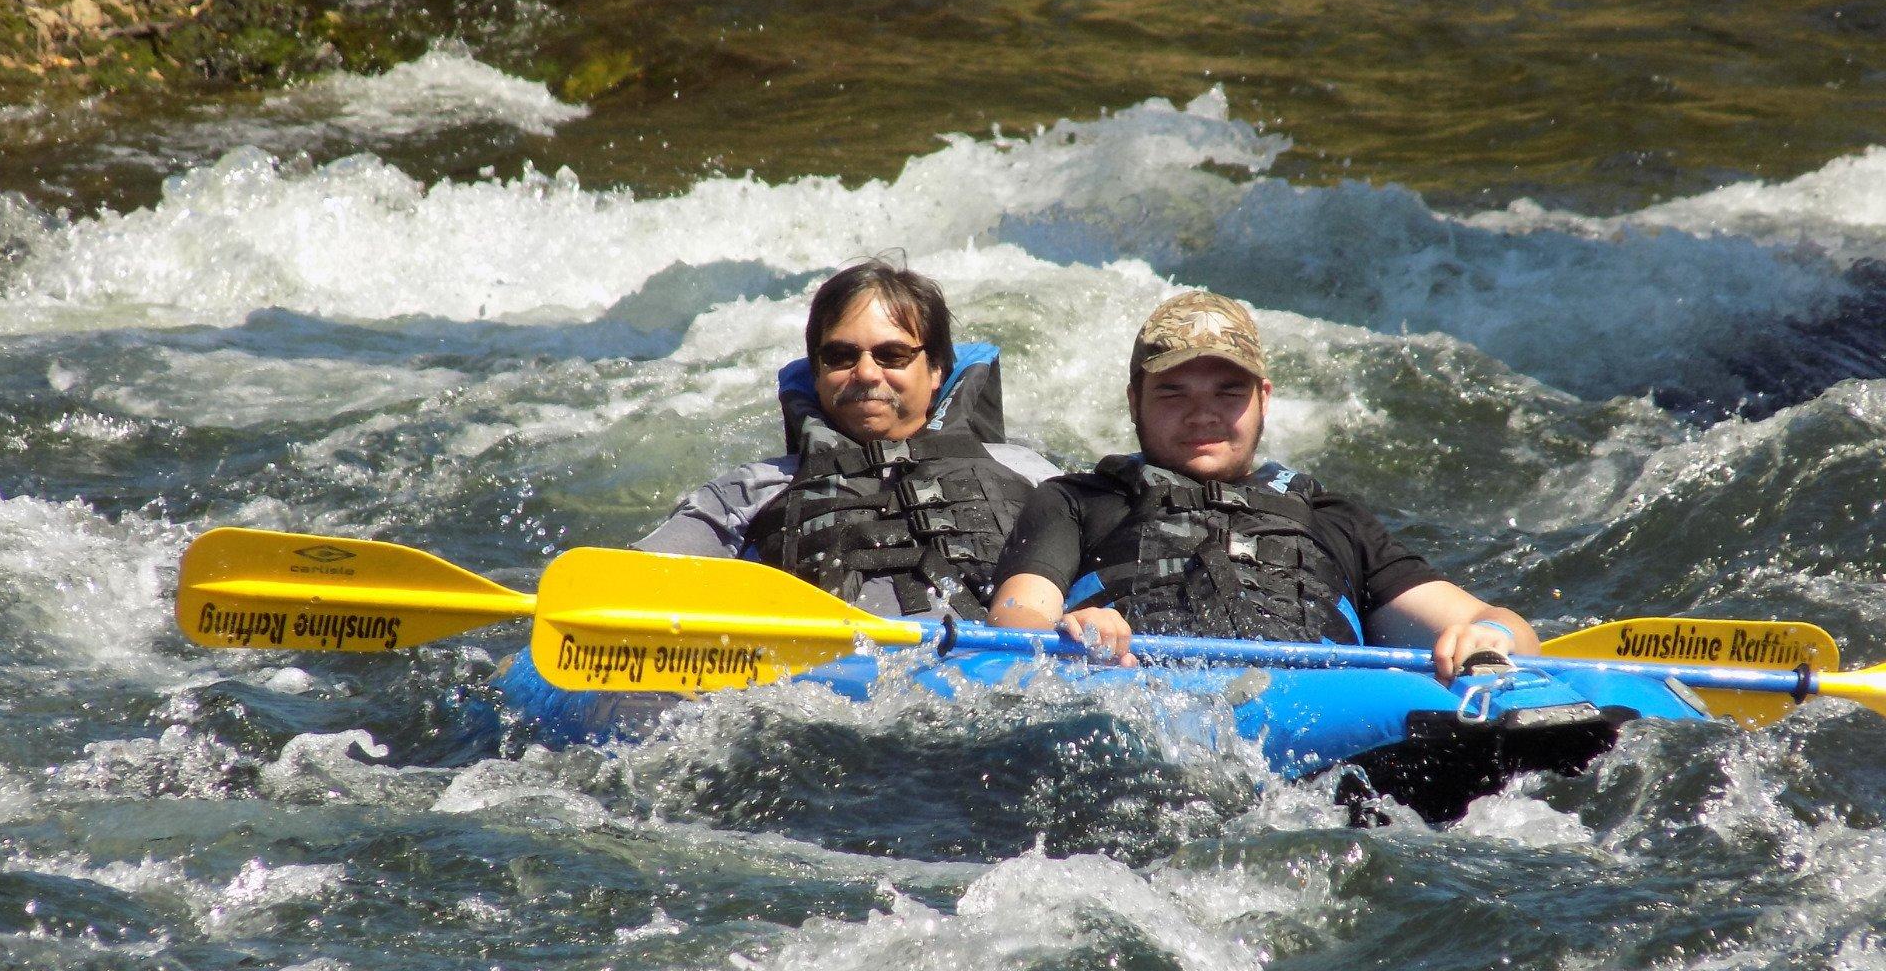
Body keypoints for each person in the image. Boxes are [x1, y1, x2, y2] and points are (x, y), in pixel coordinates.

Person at [986, 290, 1538, 679]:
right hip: (1142, 700)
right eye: (1174, 393)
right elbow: (1016, 616)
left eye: (1228, 393)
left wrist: (1492, 638)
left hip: (1327, 713)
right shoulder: (1076, 500)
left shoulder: (1331, 517)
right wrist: (1070, 629)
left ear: (1263, 399)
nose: (1203, 416)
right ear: (1135, 402)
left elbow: (1490, 622)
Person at [635, 257, 1061, 619]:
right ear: (818, 373)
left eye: (892, 354)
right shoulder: (748, 491)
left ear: (936, 371)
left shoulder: (1028, 474)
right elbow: (637, 585)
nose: (866, 373)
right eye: (840, 356)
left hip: (995, 682)